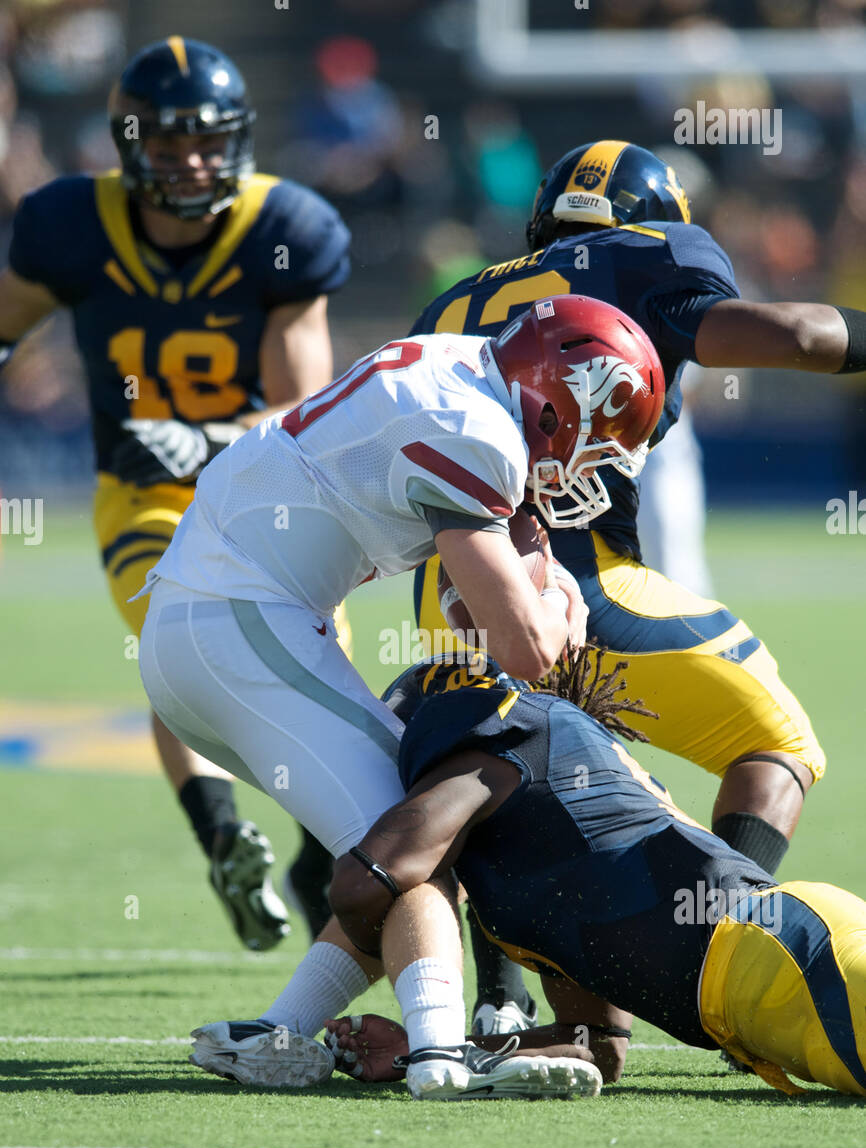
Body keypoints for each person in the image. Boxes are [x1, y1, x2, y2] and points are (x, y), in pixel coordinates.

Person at [142, 295, 663, 1098]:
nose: (595, 462)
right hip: (238, 622)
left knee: (401, 837)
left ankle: (280, 1032)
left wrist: (530, 565)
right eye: (601, 433)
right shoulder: (476, 432)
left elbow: (466, 604)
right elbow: (521, 648)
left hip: (215, 621)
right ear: (559, 400)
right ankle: (440, 1059)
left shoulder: (461, 373)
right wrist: (564, 604)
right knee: (414, 841)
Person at [405, 139, 866, 1033]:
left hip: (449, 597)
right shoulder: (647, 253)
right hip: (568, 585)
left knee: (504, 786)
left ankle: (513, 1004)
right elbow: (799, 336)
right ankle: (720, 945)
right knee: (776, 742)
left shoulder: (452, 300)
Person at [0, 36, 352, 950]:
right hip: (142, 494)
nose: (189, 158)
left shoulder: (284, 231)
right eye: (164, 140)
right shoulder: (73, 224)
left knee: (320, 680)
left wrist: (202, 438)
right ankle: (224, 833)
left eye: (205, 138)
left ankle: (323, 861)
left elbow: (302, 415)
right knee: (179, 647)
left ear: (237, 139)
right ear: (128, 144)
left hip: (275, 495)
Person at [321, 650, 866, 1102]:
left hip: (779, 953)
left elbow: (365, 884)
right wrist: (433, 1049)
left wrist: (398, 970)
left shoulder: (496, 754)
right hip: (765, 995)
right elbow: (596, 1045)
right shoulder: (537, 831)